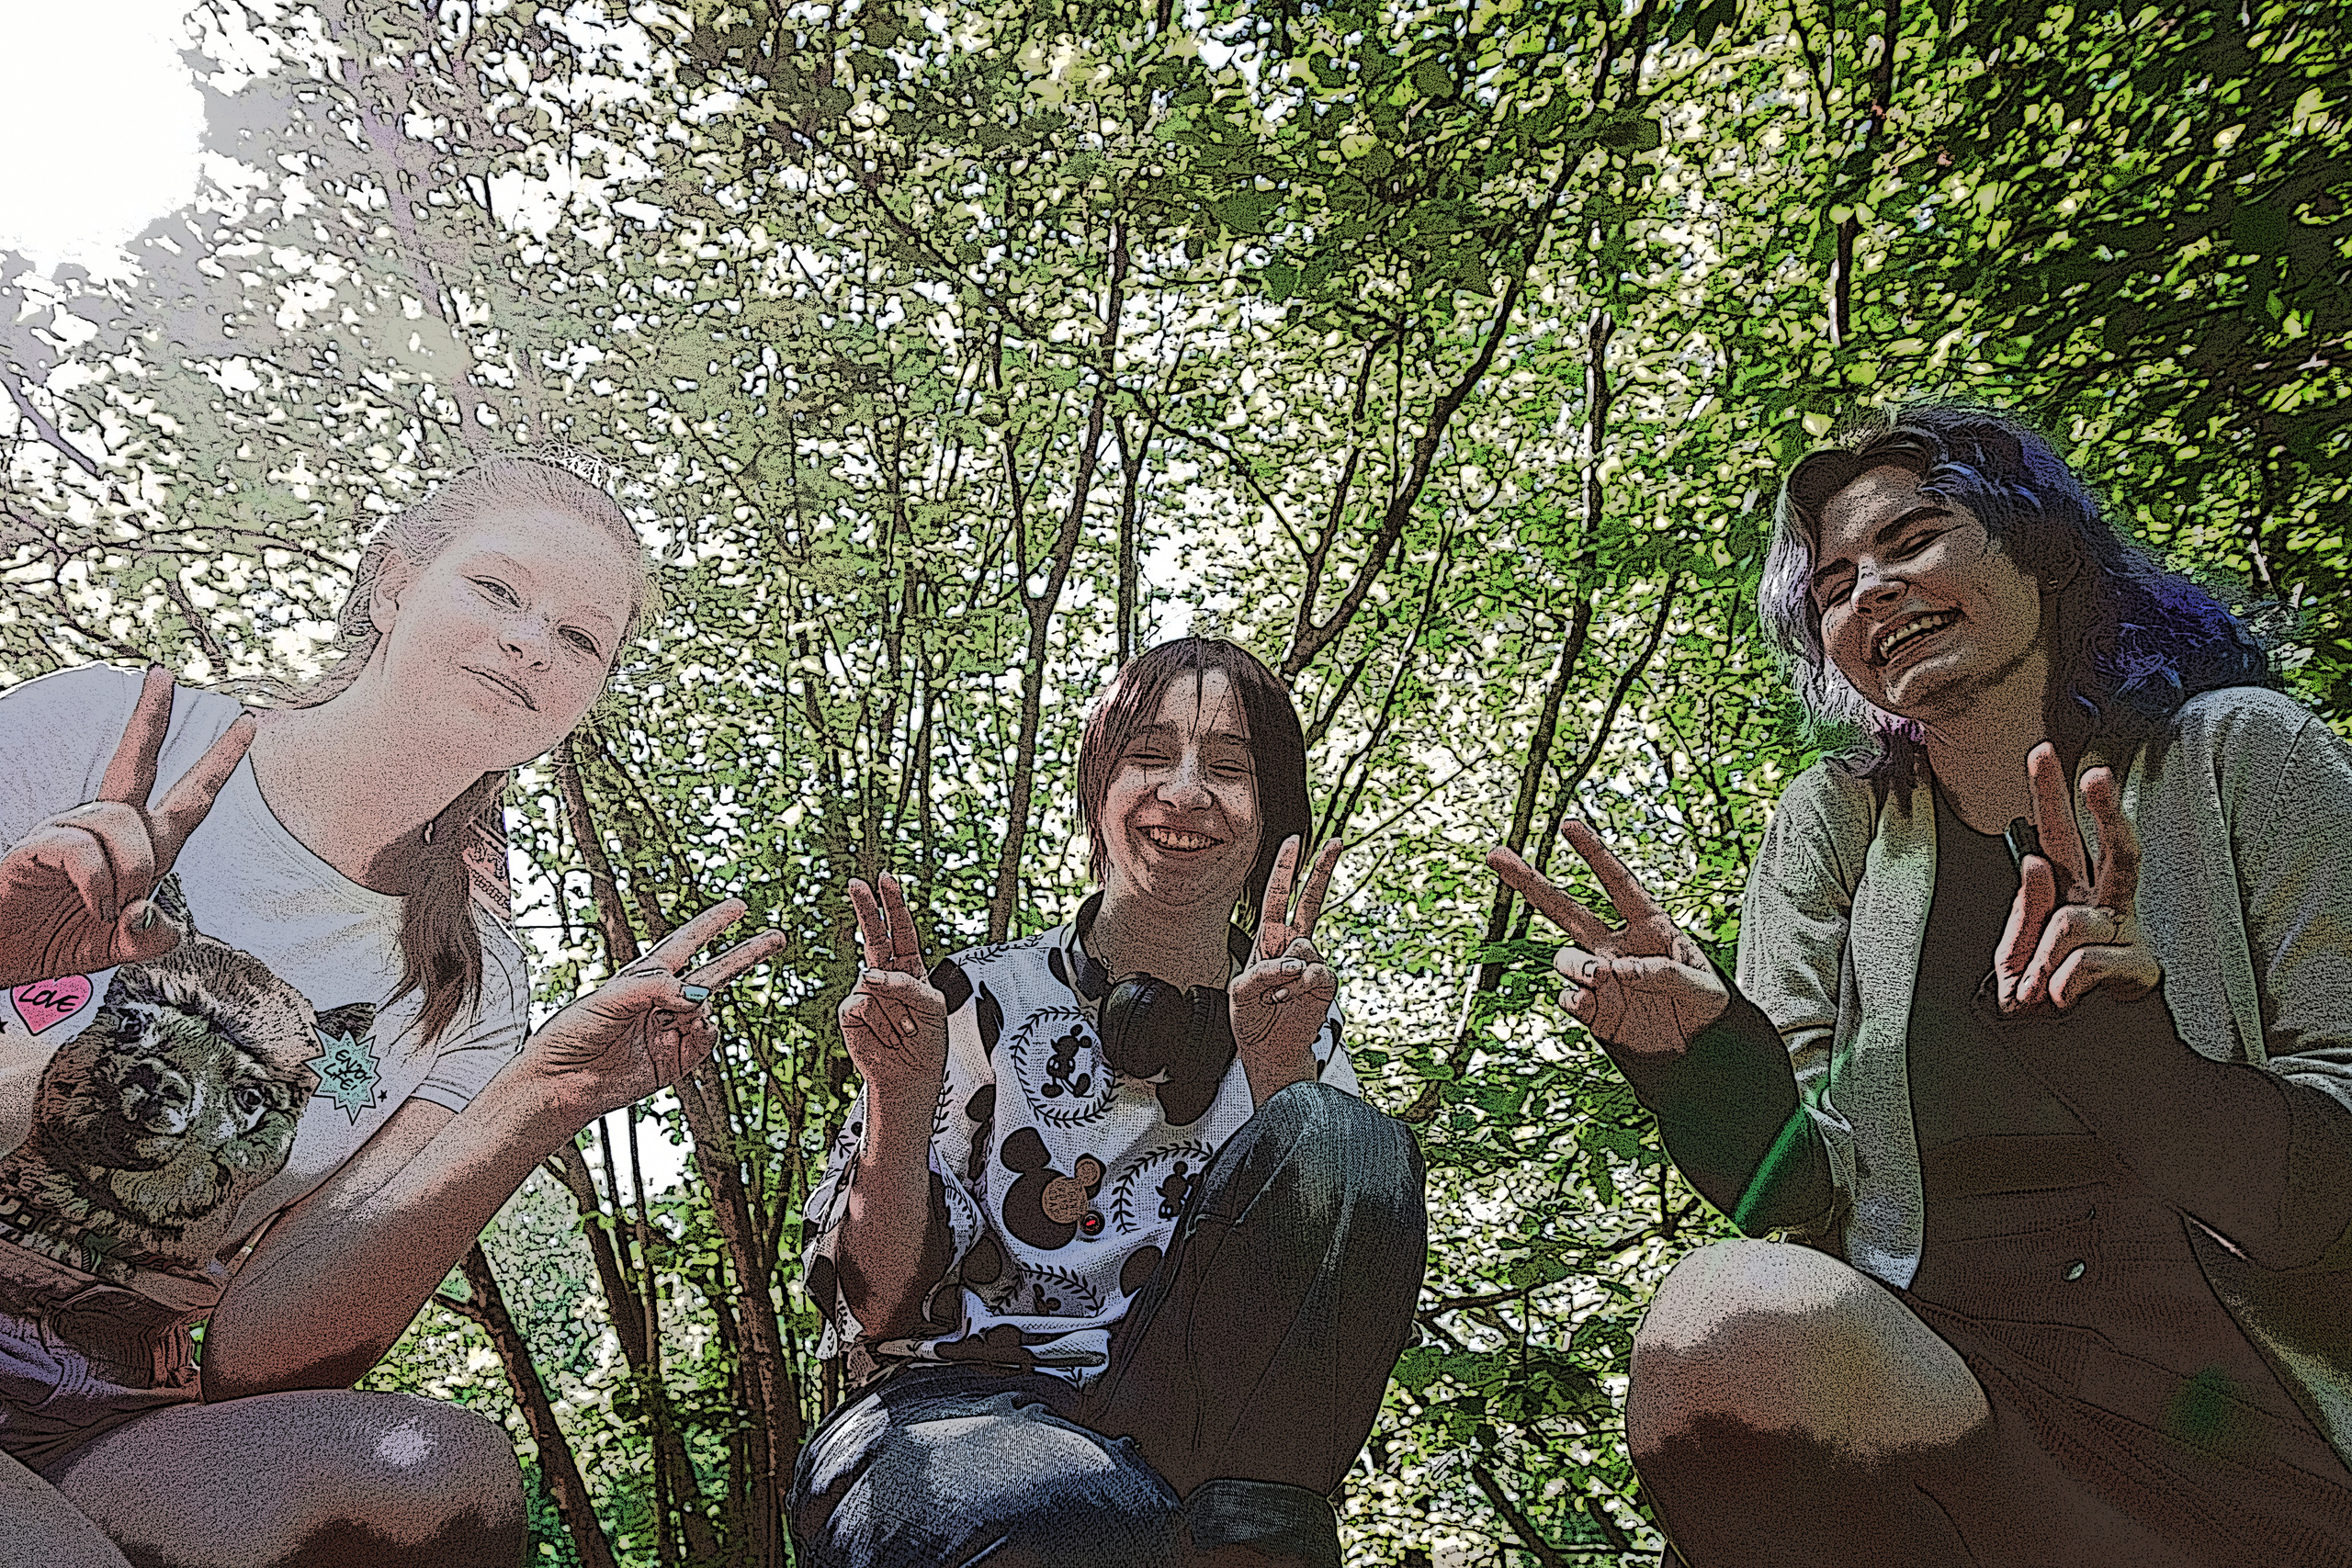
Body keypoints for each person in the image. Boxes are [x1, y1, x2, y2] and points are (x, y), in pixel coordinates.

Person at [1491, 406, 2352, 1565]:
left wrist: (2122, 1050)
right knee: (1721, 1320)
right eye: (1834, 585)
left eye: (1913, 541)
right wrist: (1694, 1058)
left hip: (2244, 1412)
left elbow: (2318, 1199)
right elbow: (1798, 1192)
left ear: (2041, 551)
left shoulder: (2242, 752)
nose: (1873, 592)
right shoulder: (1835, 824)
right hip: (1947, 1390)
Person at [0, 455, 785, 1568]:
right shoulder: (115, 735)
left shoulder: (482, 983)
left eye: (579, 639)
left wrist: (542, 1098)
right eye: (498, 590)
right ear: (393, 585)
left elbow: (261, 1354)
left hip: (104, 1413)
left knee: (440, 1477)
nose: (530, 644)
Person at [788, 637, 1428, 1568]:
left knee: (1348, 1137)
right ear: (1099, 790)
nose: (1186, 790)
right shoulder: (969, 1000)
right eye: (1149, 754)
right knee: (1057, 1507)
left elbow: (1322, 1317)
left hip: (1192, 1434)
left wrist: (1278, 1074)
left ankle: (1240, 1539)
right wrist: (900, 1094)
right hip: (950, 1414)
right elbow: (878, 1308)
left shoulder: (1299, 1030)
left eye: (1229, 767)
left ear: (1273, 816)